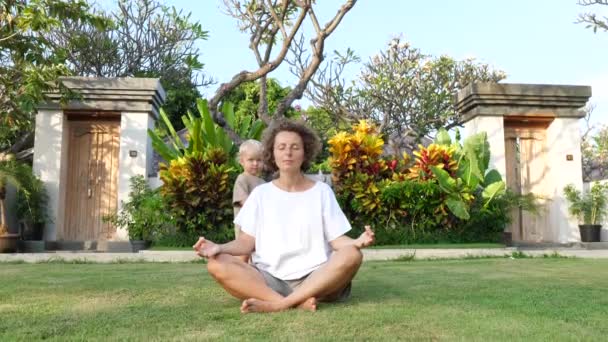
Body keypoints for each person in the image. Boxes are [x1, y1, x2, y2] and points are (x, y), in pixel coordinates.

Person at [193, 119, 375, 313]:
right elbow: (246, 242)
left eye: (295, 147)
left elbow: (337, 240)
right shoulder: (260, 194)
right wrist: (218, 247)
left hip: (317, 277)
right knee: (216, 264)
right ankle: (295, 302)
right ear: (272, 153)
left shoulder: (322, 191)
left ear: (305, 152)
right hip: (268, 278)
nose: (288, 153)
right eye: (281, 147)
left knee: (352, 254)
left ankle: (280, 304)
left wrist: (357, 242)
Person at [232, 139, 265, 262]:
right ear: (242, 161)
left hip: (260, 224)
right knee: (243, 252)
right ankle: (239, 274)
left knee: (257, 252)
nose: (255, 164)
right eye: (251, 160)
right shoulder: (242, 179)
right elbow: (244, 201)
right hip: (245, 224)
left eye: (259, 160)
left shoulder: (263, 183)